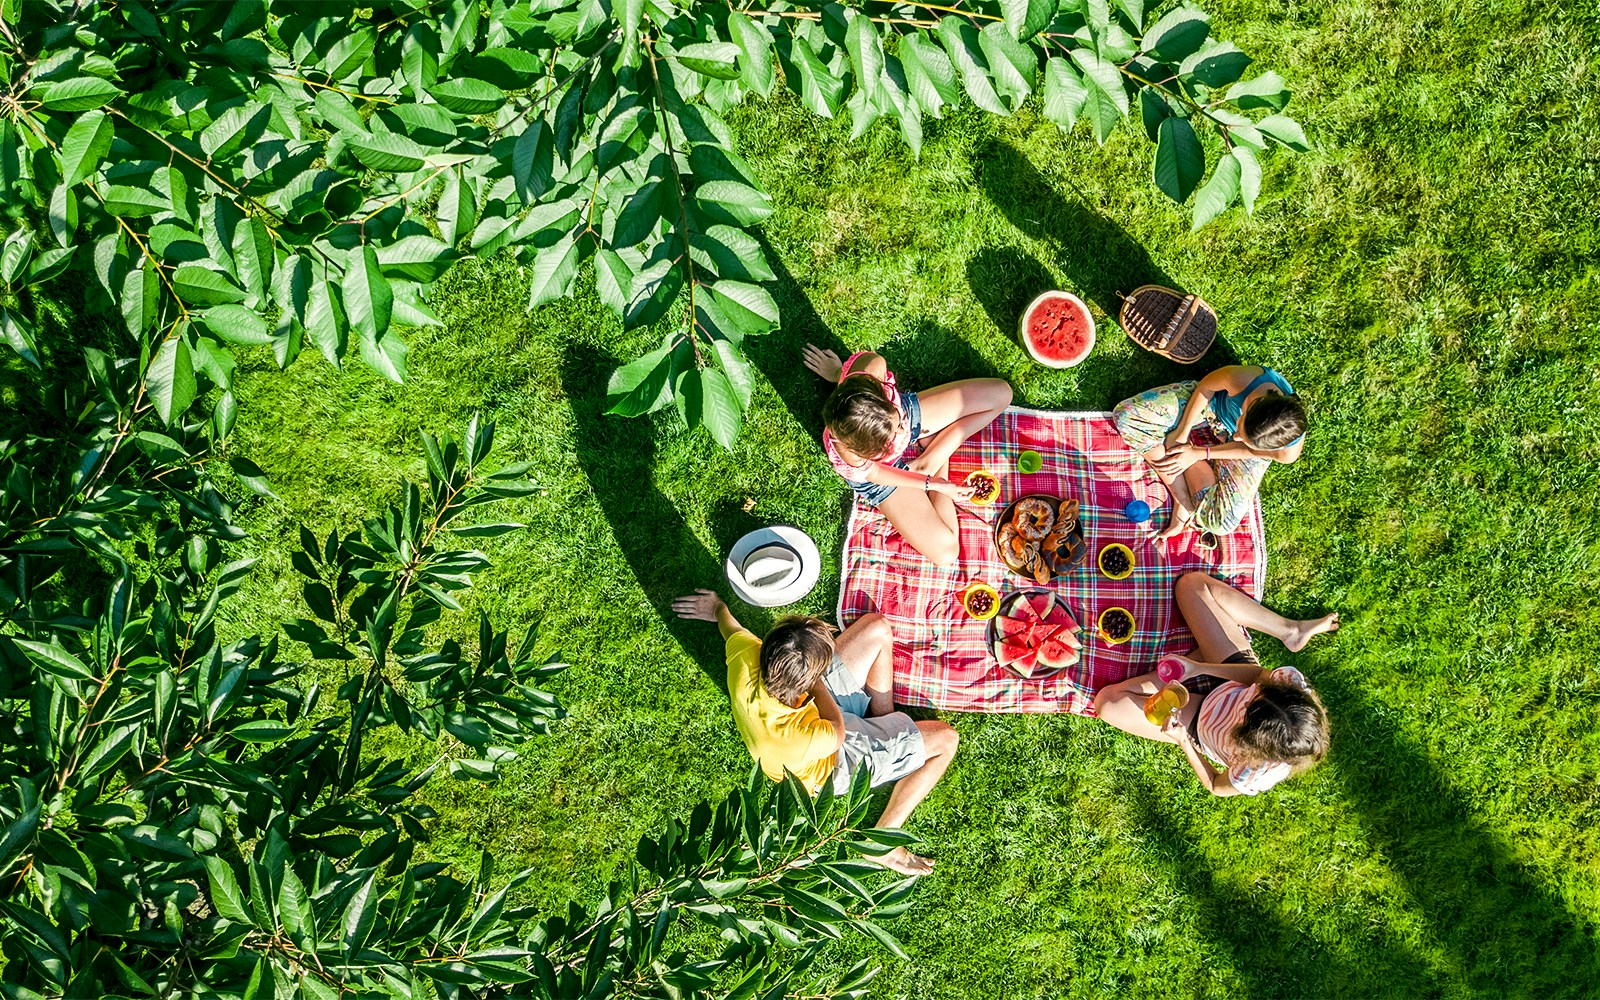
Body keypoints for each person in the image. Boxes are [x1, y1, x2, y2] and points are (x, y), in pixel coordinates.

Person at [672, 588, 959, 874]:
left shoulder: (747, 657)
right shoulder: (804, 738)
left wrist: (717, 607)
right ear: (809, 676)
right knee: (946, 739)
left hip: (806, 699)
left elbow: (729, 625)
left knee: (877, 627)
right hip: (834, 761)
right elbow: (839, 730)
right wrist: (817, 684)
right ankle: (883, 837)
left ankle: (884, 719)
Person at [1091, 572, 1337, 796]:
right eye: (1259, 695)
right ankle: (1291, 631)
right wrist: (1199, 668)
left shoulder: (1257, 770)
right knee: (1192, 587)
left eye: (1250, 706)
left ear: (1252, 738)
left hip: (1200, 722)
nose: (1250, 699)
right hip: (1232, 676)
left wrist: (1183, 740)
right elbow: (1255, 676)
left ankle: (1197, 657)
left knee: (1108, 704)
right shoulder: (1291, 686)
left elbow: (1216, 785)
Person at [804, 344, 1012, 568]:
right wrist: (935, 485)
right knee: (946, 553)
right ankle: (936, 455)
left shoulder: (872, 367)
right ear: (865, 450)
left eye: (896, 424)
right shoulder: (847, 453)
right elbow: (876, 472)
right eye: (892, 437)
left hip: (899, 413)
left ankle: (928, 459)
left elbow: (856, 383)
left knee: (1002, 394)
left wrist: (838, 374)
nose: (902, 433)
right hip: (883, 474)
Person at [1112, 365, 1306, 545]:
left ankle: (1182, 471)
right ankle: (1182, 498)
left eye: (1244, 438)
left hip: (1240, 452)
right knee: (1127, 416)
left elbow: (1249, 450)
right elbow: (1206, 387)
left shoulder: (1286, 453)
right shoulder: (1243, 380)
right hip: (1213, 408)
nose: (1237, 435)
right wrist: (1182, 432)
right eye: (1240, 425)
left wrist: (1199, 454)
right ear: (1253, 405)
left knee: (1220, 522)